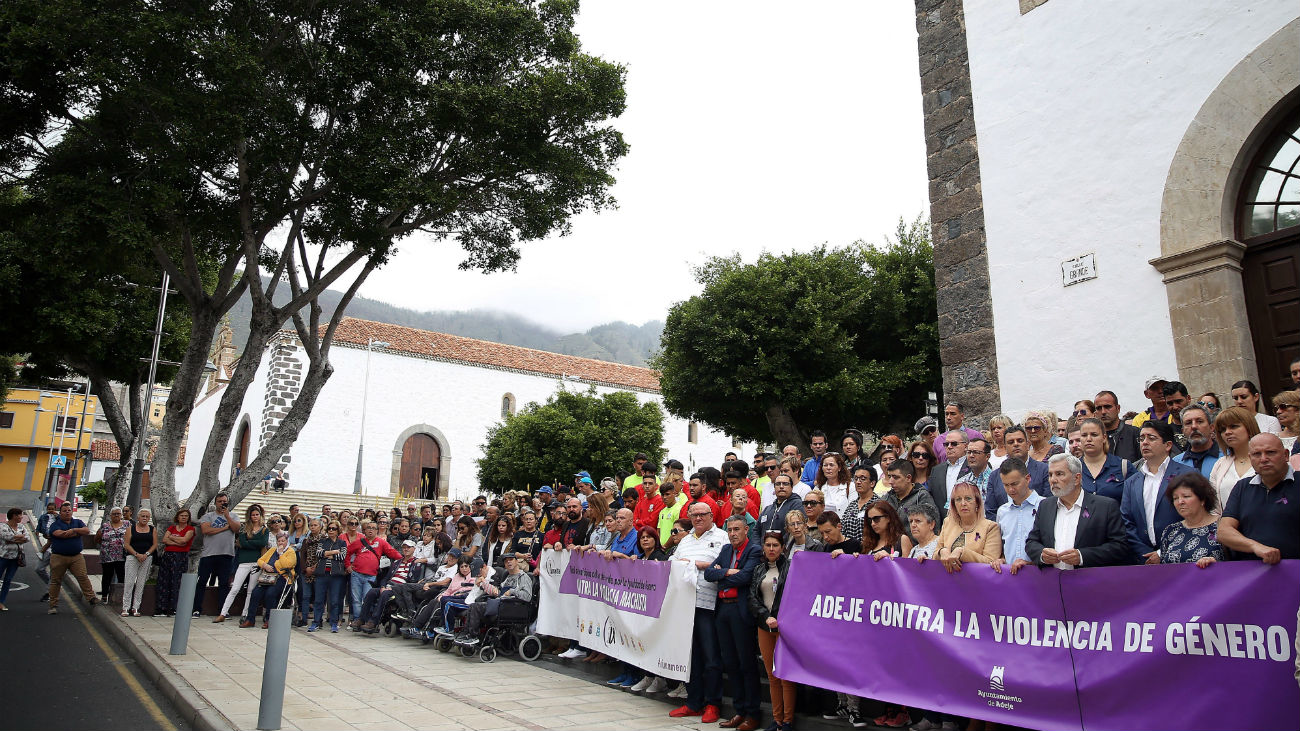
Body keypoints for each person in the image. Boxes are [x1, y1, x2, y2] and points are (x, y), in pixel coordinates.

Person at [668, 503, 728, 723]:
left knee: (711, 657)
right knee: (690, 656)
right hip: (685, 606)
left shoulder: (722, 537)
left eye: (703, 514)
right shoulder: (685, 540)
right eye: (694, 515)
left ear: (711, 516)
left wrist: (693, 564)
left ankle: (713, 704)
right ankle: (693, 702)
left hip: (709, 605)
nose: (698, 518)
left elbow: (722, 565)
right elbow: (673, 562)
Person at [703, 516, 762, 731]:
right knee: (731, 662)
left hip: (740, 610)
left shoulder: (754, 550)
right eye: (730, 530)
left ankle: (753, 713)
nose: (733, 533)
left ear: (746, 529)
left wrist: (722, 575)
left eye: (737, 529)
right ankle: (739, 711)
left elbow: (746, 577)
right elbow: (709, 573)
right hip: (723, 609)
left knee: (746, 663)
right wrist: (727, 572)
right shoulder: (726, 550)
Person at [1025, 454, 1129, 569]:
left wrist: (1082, 556)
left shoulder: (1105, 507)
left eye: (1059, 474)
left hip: (1089, 582)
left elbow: (1120, 547)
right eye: (1050, 475)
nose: (1053, 480)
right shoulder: (1045, 506)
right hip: (1053, 582)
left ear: (1077, 478)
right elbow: (1031, 542)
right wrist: (1042, 554)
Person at [1216, 433, 1299, 562]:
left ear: (1286, 455)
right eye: (1257, 454)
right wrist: (1255, 547)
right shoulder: (1242, 487)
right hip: (1252, 575)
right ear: (1250, 458)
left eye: (1271, 452)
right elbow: (1224, 532)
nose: (1264, 458)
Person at [1122, 420, 1195, 564]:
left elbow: (1196, 518)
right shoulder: (1132, 481)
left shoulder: (1187, 475)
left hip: (1180, 556)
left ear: (1168, 445)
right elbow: (1127, 521)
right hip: (1143, 559)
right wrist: (1144, 553)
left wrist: (1163, 553)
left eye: (1151, 438)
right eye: (1141, 438)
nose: (1145, 442)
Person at [750, 531, 795, 731]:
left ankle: (787, 721)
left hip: (785, 628)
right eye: (767, 545)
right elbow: (752, 597)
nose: (771, 549)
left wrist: (779, 617)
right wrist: (764, 616)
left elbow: (796, 596)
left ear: (782, 547)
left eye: (775, 545)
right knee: (772, 675)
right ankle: (776, 720)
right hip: (764, 626)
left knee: (785, 675)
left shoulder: (792, 567)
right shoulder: (759, 569)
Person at [455, 553, 534, 645]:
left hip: (513, 607)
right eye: (506, 561)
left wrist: (512, 591)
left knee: (476, 607)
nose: (508, 562)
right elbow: (499, 593)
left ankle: (473, 636)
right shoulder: (507, 577)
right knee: (473, 606)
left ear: (516, 561)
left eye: (511, 559)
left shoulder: (523, 577)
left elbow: (528, 597)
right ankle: (466, 633)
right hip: (501, 604)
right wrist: (486, 585)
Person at [984, 425, 1052, 518]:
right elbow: (991, 511)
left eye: (1020, 441)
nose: (1016, 444)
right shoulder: (995, 476)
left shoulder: (1044, 470)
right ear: (1005, 447)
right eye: (1011, 442)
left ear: (1028, 445)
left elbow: (1049, 505)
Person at [215, 504, 268, 623]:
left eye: (257, 515)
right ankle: (223, 613)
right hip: (244, 561)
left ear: (260, 516)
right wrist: (252, 543)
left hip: (256, 562)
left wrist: (249, 542)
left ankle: (245, 614)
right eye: (253, 515)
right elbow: (242, 542)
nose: (255, 517)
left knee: (250, 589)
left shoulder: (264, 529)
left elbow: (262, 543)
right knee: (235, 588)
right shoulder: (245, 528)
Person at [1158, 472, 1224, 567]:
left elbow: (1238, 564)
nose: (1180, 502)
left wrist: (1215, 564)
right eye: (1175, 498)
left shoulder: (1222, 526)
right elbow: (1163, 568)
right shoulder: (1170, 531)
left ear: (1202, 499)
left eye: (1186, 496)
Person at [345, 520, 402, 629]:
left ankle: (366, 620)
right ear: (364, 530)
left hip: (371, 576)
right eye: (368, 528)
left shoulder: (381, 542)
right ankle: (357, 620)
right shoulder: (359, 542)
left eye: (373, 528)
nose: (370, 530)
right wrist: (348, 566)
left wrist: (404, 560)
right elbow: (348, 552)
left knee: (367, 598)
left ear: (377, 530)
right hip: (356, 574)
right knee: (356, 599)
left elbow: (393, 553)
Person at [935, 481, 1003, 572]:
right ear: (953, 504)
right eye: (958, 499)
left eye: (968, 498)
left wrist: (962, 552)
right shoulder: (947, 522)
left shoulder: (990, 527)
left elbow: (990, 561)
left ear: (977, 502)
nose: (963, 503)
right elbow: (935, 554)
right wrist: (941, 552)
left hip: (977, 582)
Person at [992, 458, 1044, 573]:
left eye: (1015, 484)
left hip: (1039, 575)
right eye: (1006, 485)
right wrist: (1001, 560)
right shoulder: (1002, 511)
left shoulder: (1044, 506)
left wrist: (1031, 564)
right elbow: (1002, 546)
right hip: (1011, 576)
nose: (1011, 489)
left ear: (1028, 479)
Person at [47, 501, 99, 614]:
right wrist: (74, 534)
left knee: (82, 576)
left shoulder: (78, 522)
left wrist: (74, 530)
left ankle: (91, 598)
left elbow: (86, 530)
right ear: (60, 513)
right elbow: (59, 534)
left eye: (69, 510)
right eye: (64, 511)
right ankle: (53, 605)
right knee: (56, 581)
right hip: (58, 557)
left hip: (76, 557)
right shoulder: (55, 524)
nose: (67, 513)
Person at [194, 493, 240, 617]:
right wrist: (225, 528)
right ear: (215, 503)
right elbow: (206, 530)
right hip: (208, 554)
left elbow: (236, 529)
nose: (222, 503)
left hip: (226, 554)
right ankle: (196, 609)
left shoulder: (234, 516)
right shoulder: (208, 516)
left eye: (224, 501)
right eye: (220, 501)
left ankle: (223, 610)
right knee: (202, 581)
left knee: (224, 583)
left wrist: (228, 517)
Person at [1208, 406, 1262, 509]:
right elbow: (1215, 508)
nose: (1227, 432)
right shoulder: (1220, 465)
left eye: (1233, 426)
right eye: (1223, 429)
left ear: (1249, 427)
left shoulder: (1267, 458)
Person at [241, 532, 297, 628]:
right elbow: (260, 560)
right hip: (267, 577)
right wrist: (265, 565)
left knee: (270, 594)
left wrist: (281, 554)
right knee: (255, 593)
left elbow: (287, 565)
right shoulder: (272, 549)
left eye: (283, 541)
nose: (281, 543)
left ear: (287, 541)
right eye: (279, 541)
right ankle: (250, 619)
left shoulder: (291, 552)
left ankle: (269, 619)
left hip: (281, 577)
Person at [883, 460, 938, 543]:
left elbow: (934, 527)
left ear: (908, 478)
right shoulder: (885, 499)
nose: (890, 481)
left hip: (916, 550)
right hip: (888, 548)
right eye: (889, 476)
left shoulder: (922, 497)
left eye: (896, 477)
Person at [309, 521, 349, 633]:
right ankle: (316, 622)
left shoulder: (342, 543)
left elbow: (342, 556)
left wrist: (326, 554)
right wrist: (333, 552)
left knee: (335, 600)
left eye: (333, 529)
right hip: (322, 574)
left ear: (338, 531)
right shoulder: (322, 541)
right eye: (329, 529)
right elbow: (318, 553)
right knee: (318, 600)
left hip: (336, 576)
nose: (331, 530)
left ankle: (334, 622)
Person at [155, 509, 195, 617]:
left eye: (186, 516)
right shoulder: (172, 528)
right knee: (164, 581)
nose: (184, 517)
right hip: (168, 556)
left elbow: (184, 541)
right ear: (177, 517)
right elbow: (164, 540)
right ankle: (161, 608)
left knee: (176, 581)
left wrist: (172, 538)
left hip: (180, 557)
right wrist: (177, 539)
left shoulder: (190, 529)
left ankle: (173, 608)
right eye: (181, 515)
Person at [928, 430, 968, 529]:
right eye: (946, 444)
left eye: (954, 444)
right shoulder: (936, 470)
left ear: (966, 446)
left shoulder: (974, 467)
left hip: (969, 524)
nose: (949, 447)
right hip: (944, 527)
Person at [121, 508, 157, 617]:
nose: (145, 518)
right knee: (129, 582)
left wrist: (146, 554)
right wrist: (136, 554)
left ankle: (136, 607)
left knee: (141, 583)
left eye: (147, 516)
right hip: (132, 557)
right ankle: (125, 607)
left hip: (146, 558)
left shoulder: (152, 529)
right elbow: (126, 544)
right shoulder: (130, 529)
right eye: (143, 516)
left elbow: (155, 544)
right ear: (138, 517)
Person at [1173, 403, 1222, 477]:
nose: (1194, 426)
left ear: (1211, 427)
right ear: (1183, 431)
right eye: (1188, 423)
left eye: (1199, 421)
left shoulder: (1227, 457)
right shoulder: (1175, 463)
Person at [1094, 390, 1142, 462]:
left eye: (1107, 407)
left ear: (1118, 408)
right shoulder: (1091, 438)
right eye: (1099, 408)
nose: (1103, 412)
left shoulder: (1135, 434)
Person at [757, 473, 805, 542]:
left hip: (784, 549)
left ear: (792, 487)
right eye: (778, 484)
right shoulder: (768, 509)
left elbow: (796, 529)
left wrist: (779, 545)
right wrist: (757, 547)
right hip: (764, 550)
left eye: (785, 484)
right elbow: (756, 530)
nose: (781, 486)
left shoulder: (797, 505)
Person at [0, 507, 30, 611]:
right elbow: (6, 537)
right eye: (20, 515)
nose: (21, 517)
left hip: (16, 558)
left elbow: (27, 538)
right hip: (3, 557)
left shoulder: (21, 526)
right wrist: (19, 538)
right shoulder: (3, 526)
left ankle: (1, 602)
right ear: (14, 516)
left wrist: (15, 539)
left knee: (8, 580)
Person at [97, 507, 127, 604]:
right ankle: (104, 596)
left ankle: (121, 596)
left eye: (118, 513)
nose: (116, 515)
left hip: (121, 556)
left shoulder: (127, 524)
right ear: (110, 515)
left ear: (121, 515)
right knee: (107, 576)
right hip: (107, 556)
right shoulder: (105, 525)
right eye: (114, 514)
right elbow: (98, 538)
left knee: (121, 575)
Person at [841, 466, 878, 542]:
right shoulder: (852, 505)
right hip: (849, 551)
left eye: (863, 479)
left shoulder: (878, 504)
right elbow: (842, 529)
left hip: (869, 550)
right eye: (856, 478)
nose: (858, 482)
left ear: (872, 483)